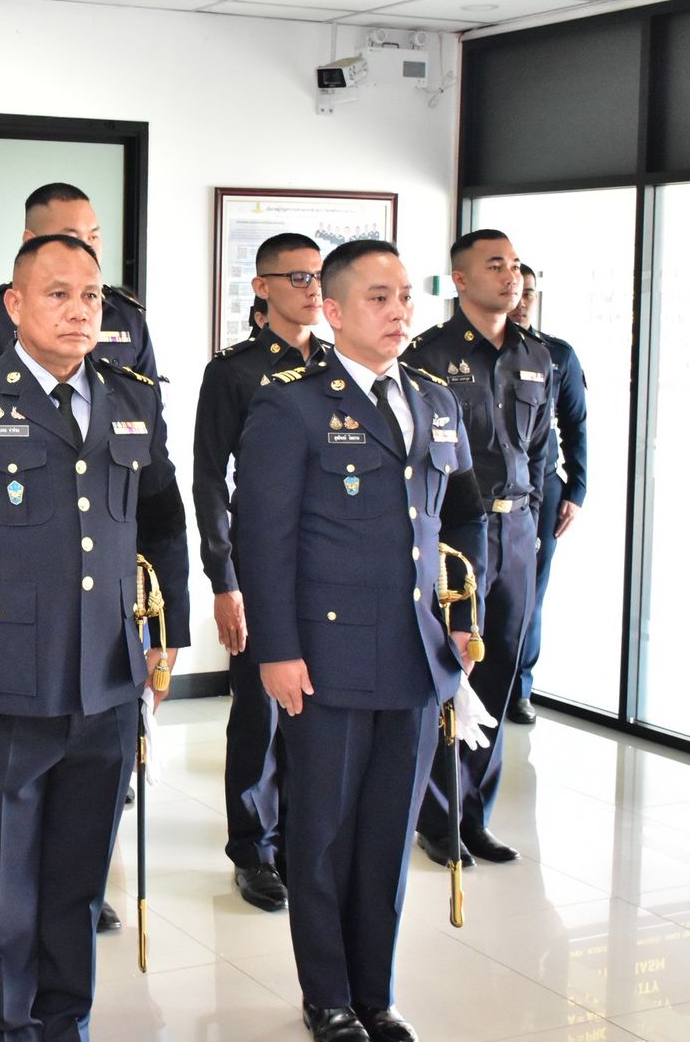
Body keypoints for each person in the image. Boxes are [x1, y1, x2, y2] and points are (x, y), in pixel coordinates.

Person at [0, 234, 191, 1042]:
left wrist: (168, 633)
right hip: (3, 676)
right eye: (58, 294)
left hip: (108, 675)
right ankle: (8, 1026)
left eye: (91, 296)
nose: (79, 310)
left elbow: (163, 519)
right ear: (15, 305)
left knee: (78, 880)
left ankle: (64, 1021)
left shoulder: (132, 397)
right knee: (5, 881)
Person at [237, 239, 488, 1042]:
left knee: (386, 838)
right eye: (379, 298)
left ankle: (375, 995)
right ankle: (329, 997)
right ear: (334, 311)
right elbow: (262, 539)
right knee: (322, 838)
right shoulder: (292, 405)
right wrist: (276, 650)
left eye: (405, 295)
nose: (399, 311)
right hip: (327, 658)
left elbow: (463, 518)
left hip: (417, 657)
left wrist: (464, 618)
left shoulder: (435, 399)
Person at [403, 229, 553, 869]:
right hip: (454, 535)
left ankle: (474, 816)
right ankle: (436, 818)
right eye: (496, 265)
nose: (510, 276)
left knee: (496, 675)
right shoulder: (428, 355)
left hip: (516, 530)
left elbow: (541, 450)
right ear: (461, 279)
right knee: (448, 669)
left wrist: (536, 522)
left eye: (515, 265)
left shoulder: (535, 354)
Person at [193, 232, 326, 914]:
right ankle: (254, 848)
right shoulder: (235, 371)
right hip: (260, 562)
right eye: (297, 276)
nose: (311, 288)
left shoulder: (337, 363)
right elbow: (209, 480)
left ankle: (305, 841)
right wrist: (224, 580)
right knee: (260, 713)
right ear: (262, 287)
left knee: (321, 708)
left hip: (328, 562)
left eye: (318, 276)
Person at [0, 182, 158, 381]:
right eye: (71, 238)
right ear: (30, 241)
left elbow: (144, 402)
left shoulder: (126, 316)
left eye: (93, 237)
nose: (87, 249)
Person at [506, 264, 588, 725]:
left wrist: (577, 489)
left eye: (529, 292)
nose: (522, 301)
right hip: (483, 487)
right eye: (515, 291)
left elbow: (575, 424)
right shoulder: (454, 353)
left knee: (530, 594)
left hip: (543, 485)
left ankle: (520, 688)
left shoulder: (556, 355)